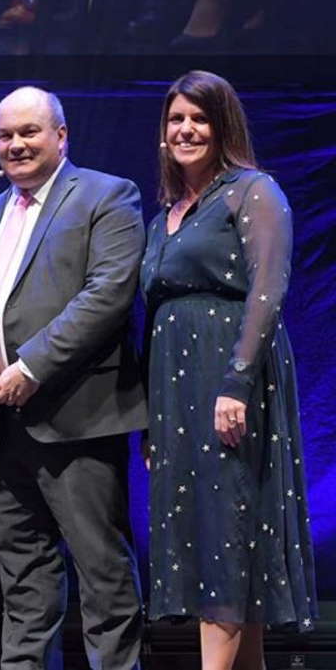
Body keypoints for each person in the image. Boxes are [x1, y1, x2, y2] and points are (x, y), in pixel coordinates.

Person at [0, 86, 147, 670]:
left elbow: (107, 295)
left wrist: (29, 367)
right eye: (6, 135)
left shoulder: (107, 195)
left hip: (76, 417)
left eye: (30, 131)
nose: (17, 144)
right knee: (22, 580)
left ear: (61, 134)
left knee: (102, 577)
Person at [142, 69, 317, 669]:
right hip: (176, 393)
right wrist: (150, 420)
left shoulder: (252, 190)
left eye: (199, 118)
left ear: (222, 127)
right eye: (176, 119)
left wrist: (236, 383)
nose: (186, 129)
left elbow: (268, 290)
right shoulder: (167, 211)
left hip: (227, 383)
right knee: (206, 537)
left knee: (227, 535)